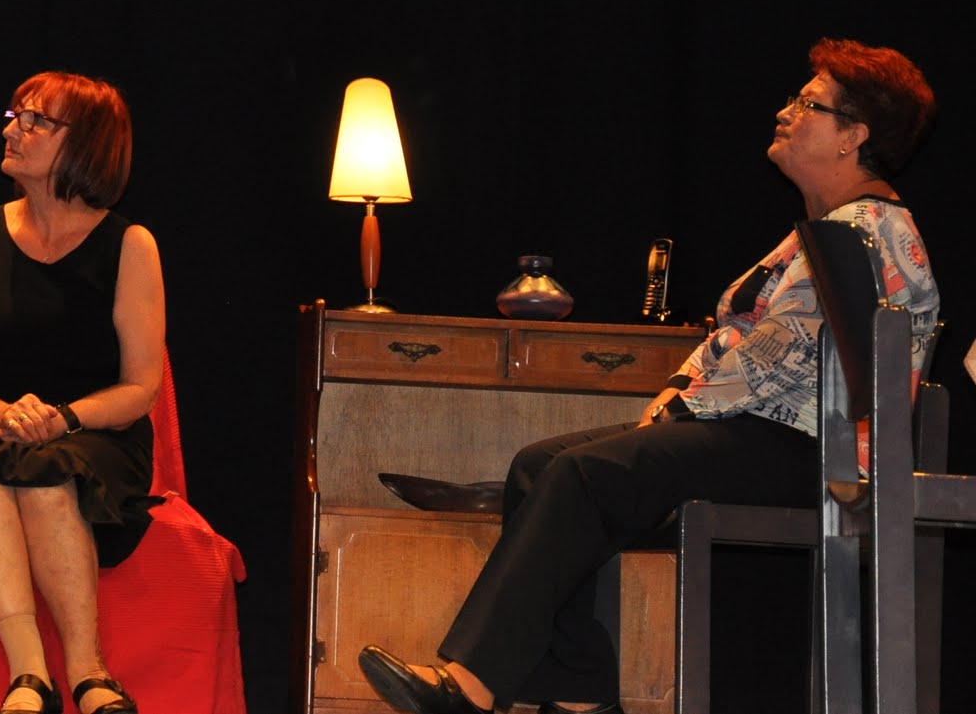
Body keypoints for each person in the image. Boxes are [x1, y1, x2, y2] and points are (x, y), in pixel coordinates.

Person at [358, 38, 939, 714]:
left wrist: (682, 407)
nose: (785, 112)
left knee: (586, 474)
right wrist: (678, 392)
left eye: (808, 103)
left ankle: (471, 684)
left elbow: (780, 358)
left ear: (853, 135)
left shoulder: (871, 230)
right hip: (757, 431)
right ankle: (576, 693)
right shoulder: (826, 228)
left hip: (815, 450)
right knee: (539, 464)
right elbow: (737, 339)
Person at [0, 72, 166, 714]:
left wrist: (61, 418)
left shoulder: (130, 245)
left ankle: (88, 672)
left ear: (85, 143)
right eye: (15, 116)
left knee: (48, 469)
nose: (13, 130)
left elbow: (141, 386)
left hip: (93, 433)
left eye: (35, 121)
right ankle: (29, 674)